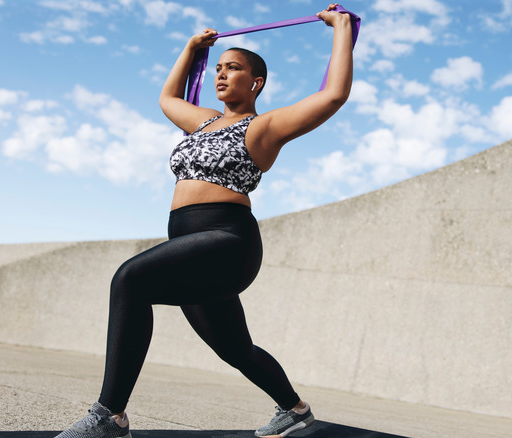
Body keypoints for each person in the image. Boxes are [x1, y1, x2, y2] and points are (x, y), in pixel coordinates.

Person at [54, 4, 353, 438]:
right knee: (234, 347)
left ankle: (109, 417)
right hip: (192, 244)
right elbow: (167, 100)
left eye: (233, 68)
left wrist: (341, 27)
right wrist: (190, 48)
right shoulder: (205, 123)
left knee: (129, 279)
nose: (221, 74)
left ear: (256, 82)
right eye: (217, 68)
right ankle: (295, 409)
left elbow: (333, 95)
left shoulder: (261, 127)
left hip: (228, 240)